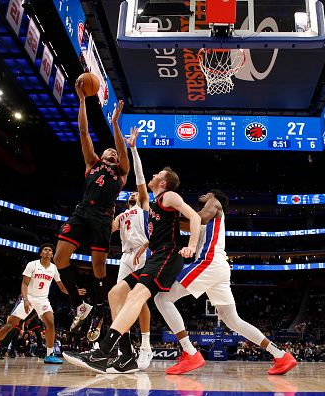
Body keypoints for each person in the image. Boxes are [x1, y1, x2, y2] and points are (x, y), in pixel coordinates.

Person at [64, 165, 202, 374]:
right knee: (115, 293)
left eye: (157, 174)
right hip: (155, 256)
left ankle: (101, 353)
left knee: (135, 296)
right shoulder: (154, 204)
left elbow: (195, 217)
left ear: (163, 183)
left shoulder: (169, 196)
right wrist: (147, 245)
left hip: (168, 257)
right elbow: (164, 228)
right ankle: (127, 356)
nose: (153, 175)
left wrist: (191, 246)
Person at [154, 190, 298, 375]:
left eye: (206, 193)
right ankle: (280, 355)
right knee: (232, 320)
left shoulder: (214, 203)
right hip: (218, 267)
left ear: (214, 195)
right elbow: (189, 225)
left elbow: (198, 218)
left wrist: (173, 210)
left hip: (209, 262)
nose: (203, 195)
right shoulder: (205, 219)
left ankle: (190, 352)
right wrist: (166, 220)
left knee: (162, 299)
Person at [54, 77, 130, 332]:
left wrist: (116, 124)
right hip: (82, 211)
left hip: (103, 216)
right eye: (108, 150)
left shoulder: (121, 172)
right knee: (59, 257)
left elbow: (122, 150)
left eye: (115, 152)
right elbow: (84, 132)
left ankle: (99, 310)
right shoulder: (92, 163)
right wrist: (82, 100)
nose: (112, 152)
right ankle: (80, 304)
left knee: (98, 266)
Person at [107, 127, 153, 369]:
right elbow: (110, 228)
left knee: (140, 300)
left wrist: (133, 149)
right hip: (125, 258)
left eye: (137, 191)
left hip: (143, 255)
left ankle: (146, 345)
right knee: (117, 299)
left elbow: (140, 177)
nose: (136, 192)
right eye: (133, 193)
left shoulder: (144, 206)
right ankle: (123, 348)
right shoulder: (122, 213)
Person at [0, 243, 67, 364]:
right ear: (41, 253)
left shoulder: (53, 268)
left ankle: (49, 354)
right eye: (45, 249)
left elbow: (61, 286)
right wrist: (25, 299)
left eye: (50, 250)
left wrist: (74, 292)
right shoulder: (32, 264)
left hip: (43, 300)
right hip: (29, 297)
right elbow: (24, 284)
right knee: (9, 325)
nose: (47, 251)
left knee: (51, 324)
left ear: (52, 255)